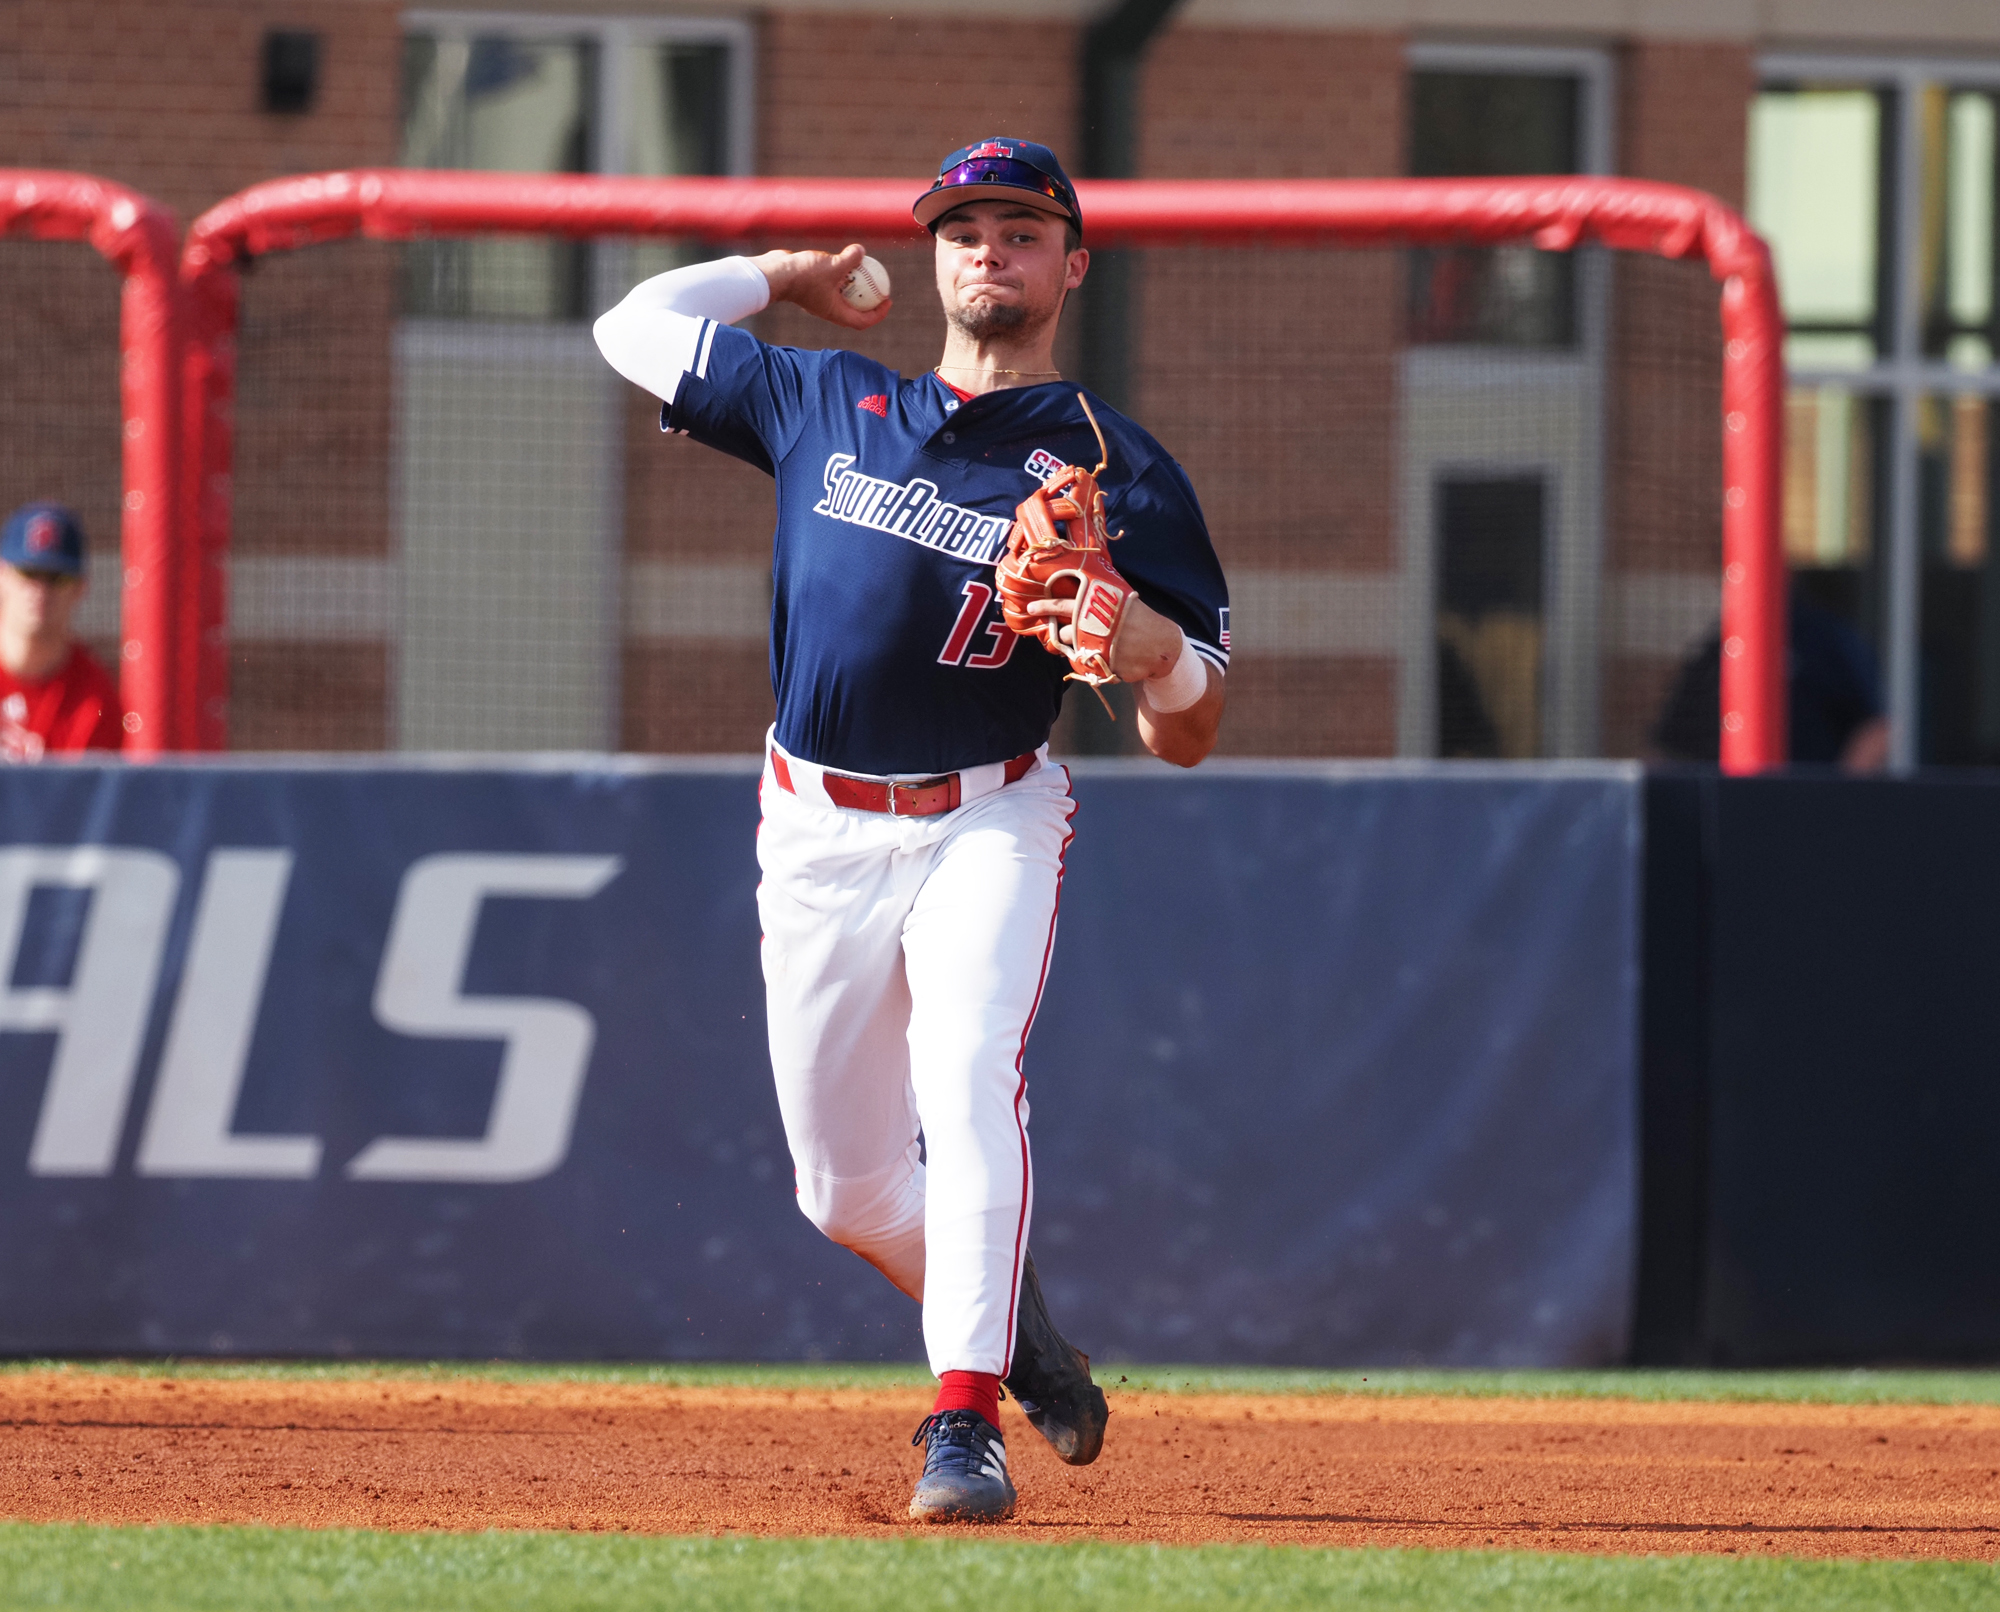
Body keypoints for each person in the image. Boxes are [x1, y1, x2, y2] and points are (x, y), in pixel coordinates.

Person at [594, 138, 1229, 1522]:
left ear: (1071, 262)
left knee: (965, 1071)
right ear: (935, 258)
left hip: (986, 815)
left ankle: (963, 1426)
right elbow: (630, 329)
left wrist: (1153, 652)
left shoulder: (1118, 467)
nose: (986, 250)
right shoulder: (827, 398)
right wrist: (783, 275)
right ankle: (1012, 1320)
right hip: (813, 825)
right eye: (963, 230)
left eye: (1019, 227)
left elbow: (1191, 724)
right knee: (841, 1190)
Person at [1651, 584, 1889, 771]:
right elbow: (1668, 744)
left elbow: (1876, 728)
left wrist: (1836, 799)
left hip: (1806, 801)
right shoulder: (1722, 645)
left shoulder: (1822, 638)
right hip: (1730, 803)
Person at [0, 502, 122, 760]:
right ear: (3, 576)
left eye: (58, 577)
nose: (41, 591)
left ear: (81, 587)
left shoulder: (94, 700)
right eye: (29, 572)